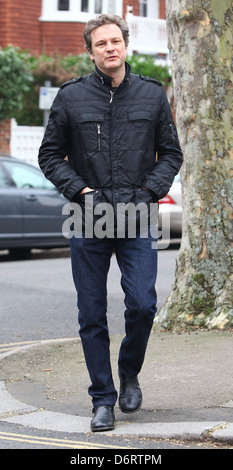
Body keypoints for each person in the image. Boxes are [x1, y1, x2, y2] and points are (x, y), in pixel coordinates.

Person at [38, 14, 183, 432]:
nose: (110, 48)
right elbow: (49, 155)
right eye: (101, 43)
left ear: (126, 45)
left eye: (115, 41)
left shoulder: (152, 96)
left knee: (142, 304)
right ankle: (102, 399)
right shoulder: (70, 97)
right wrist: (81, 192)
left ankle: (129, 373)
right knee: (92, 312)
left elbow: (171, 154)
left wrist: (151, 191)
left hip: (138, 214)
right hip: (89, 216)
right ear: (91, 51)